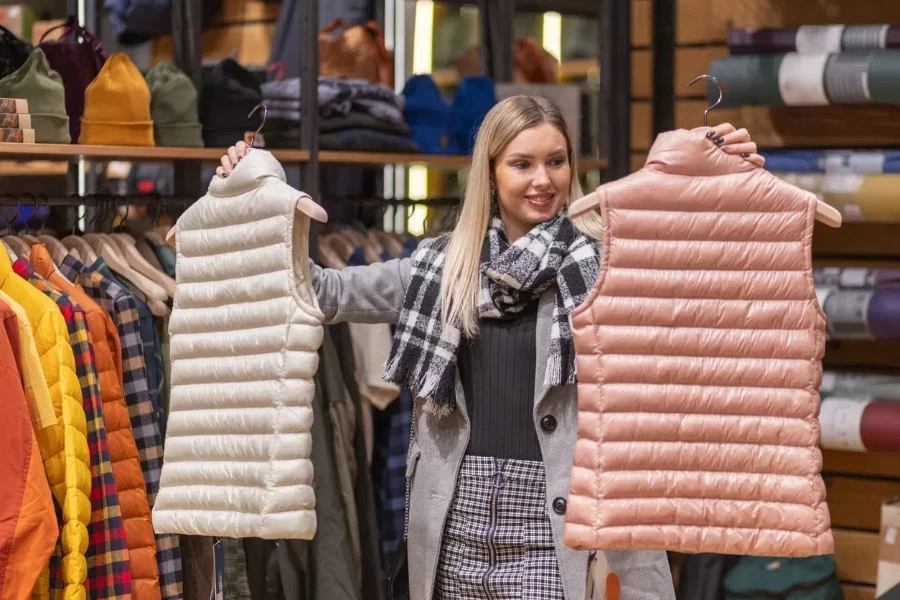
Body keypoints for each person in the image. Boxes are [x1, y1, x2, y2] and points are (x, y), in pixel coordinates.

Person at [217, 95, 763, 600]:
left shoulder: (608, 263)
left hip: (561, 527)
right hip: (455, 521)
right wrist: (254, 199)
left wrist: (730, 180)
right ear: (491, 173)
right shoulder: (440, 267)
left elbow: (710, 283)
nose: (542, 180)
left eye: (556, 161)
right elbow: (322, 291)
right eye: (522, 164)